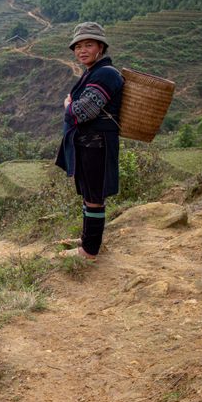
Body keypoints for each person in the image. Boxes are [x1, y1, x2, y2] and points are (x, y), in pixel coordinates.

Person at [55, 22, 123, 260]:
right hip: (89, 143)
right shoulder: (93, 72)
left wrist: (67, 106)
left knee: (94, 197)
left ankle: (89, 251)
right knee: (89, 194)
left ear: (100, 48)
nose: (82, 50)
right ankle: (88, 239)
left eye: (89, 45)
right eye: (78, 46)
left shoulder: (105, 74)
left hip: (97, 145)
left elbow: (83, 111)